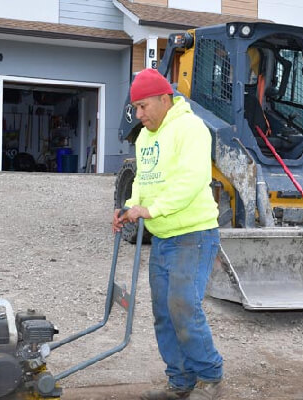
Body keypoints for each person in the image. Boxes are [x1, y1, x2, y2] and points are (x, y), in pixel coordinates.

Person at [112, 68, 224, 400]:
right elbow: (144, 184)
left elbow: (190, 181)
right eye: (135, 109)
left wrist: (151, 210)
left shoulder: (191, 129)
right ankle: (180, 382)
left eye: (144, 107)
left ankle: (210, 378)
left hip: (194, 234)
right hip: (163, 237)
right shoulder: (146, 137)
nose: (139, 115)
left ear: (165, 99)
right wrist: (129, 207)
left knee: (183, 306)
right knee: (164, 312)